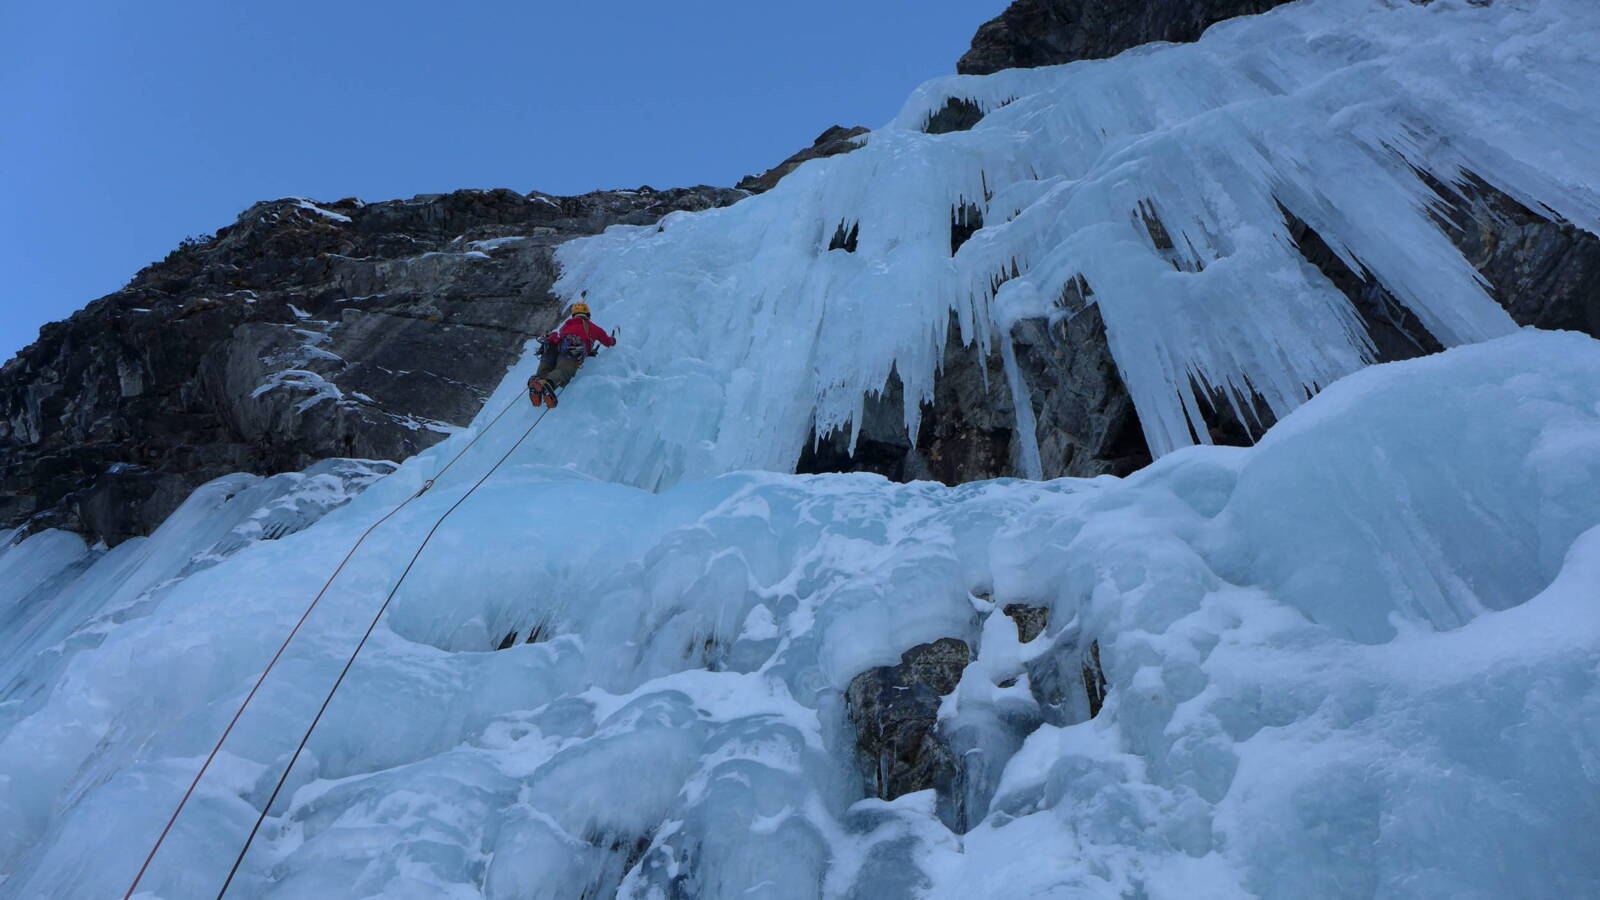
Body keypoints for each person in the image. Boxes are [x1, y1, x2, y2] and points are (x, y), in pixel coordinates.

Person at [526, 300, 616, 408]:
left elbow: (561, 338)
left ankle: (537, 382)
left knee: (545, 371)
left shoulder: (565, 327)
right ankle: (546, 384)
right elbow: (606, 341)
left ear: (574, 315)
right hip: (570, 349)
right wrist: (613, 340)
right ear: (587, 314)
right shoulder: (591, 326)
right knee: (564, 371)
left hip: (552, 348)